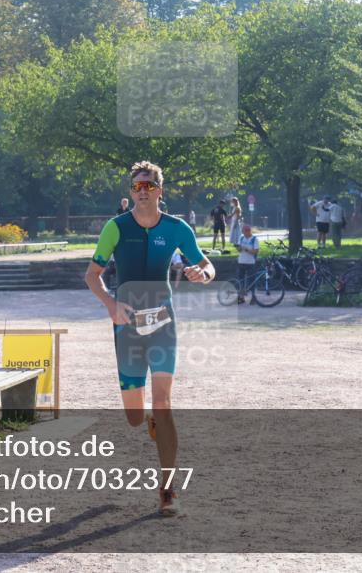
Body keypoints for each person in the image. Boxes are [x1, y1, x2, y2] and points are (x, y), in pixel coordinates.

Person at [84, 161, 215, 517]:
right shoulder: (116, 227)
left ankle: (167, 491)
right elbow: (93, 275)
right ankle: (150, 422)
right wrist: (111, 304)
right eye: (136, 186)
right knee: (134, 416)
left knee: (163, 404)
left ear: (160, 189)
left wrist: (201, 273)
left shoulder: (177, 228)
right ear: (131, 191)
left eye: (149, 185)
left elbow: (206, 264)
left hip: (162, 323)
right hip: (125, 326)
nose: (142, 191)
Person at [235, 224, 259, 304]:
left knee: (251, 281)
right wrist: (238, 248)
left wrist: (246, 249)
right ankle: (241, 297)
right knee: (240, 280)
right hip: (241, 261)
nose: (244, 234)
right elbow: (239, 249)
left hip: (250, 263)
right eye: (243, 232)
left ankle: (253, 297)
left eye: (245, 232)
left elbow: (256, 251)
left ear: (248, 231)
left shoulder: (254, 239)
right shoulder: (241, 237)